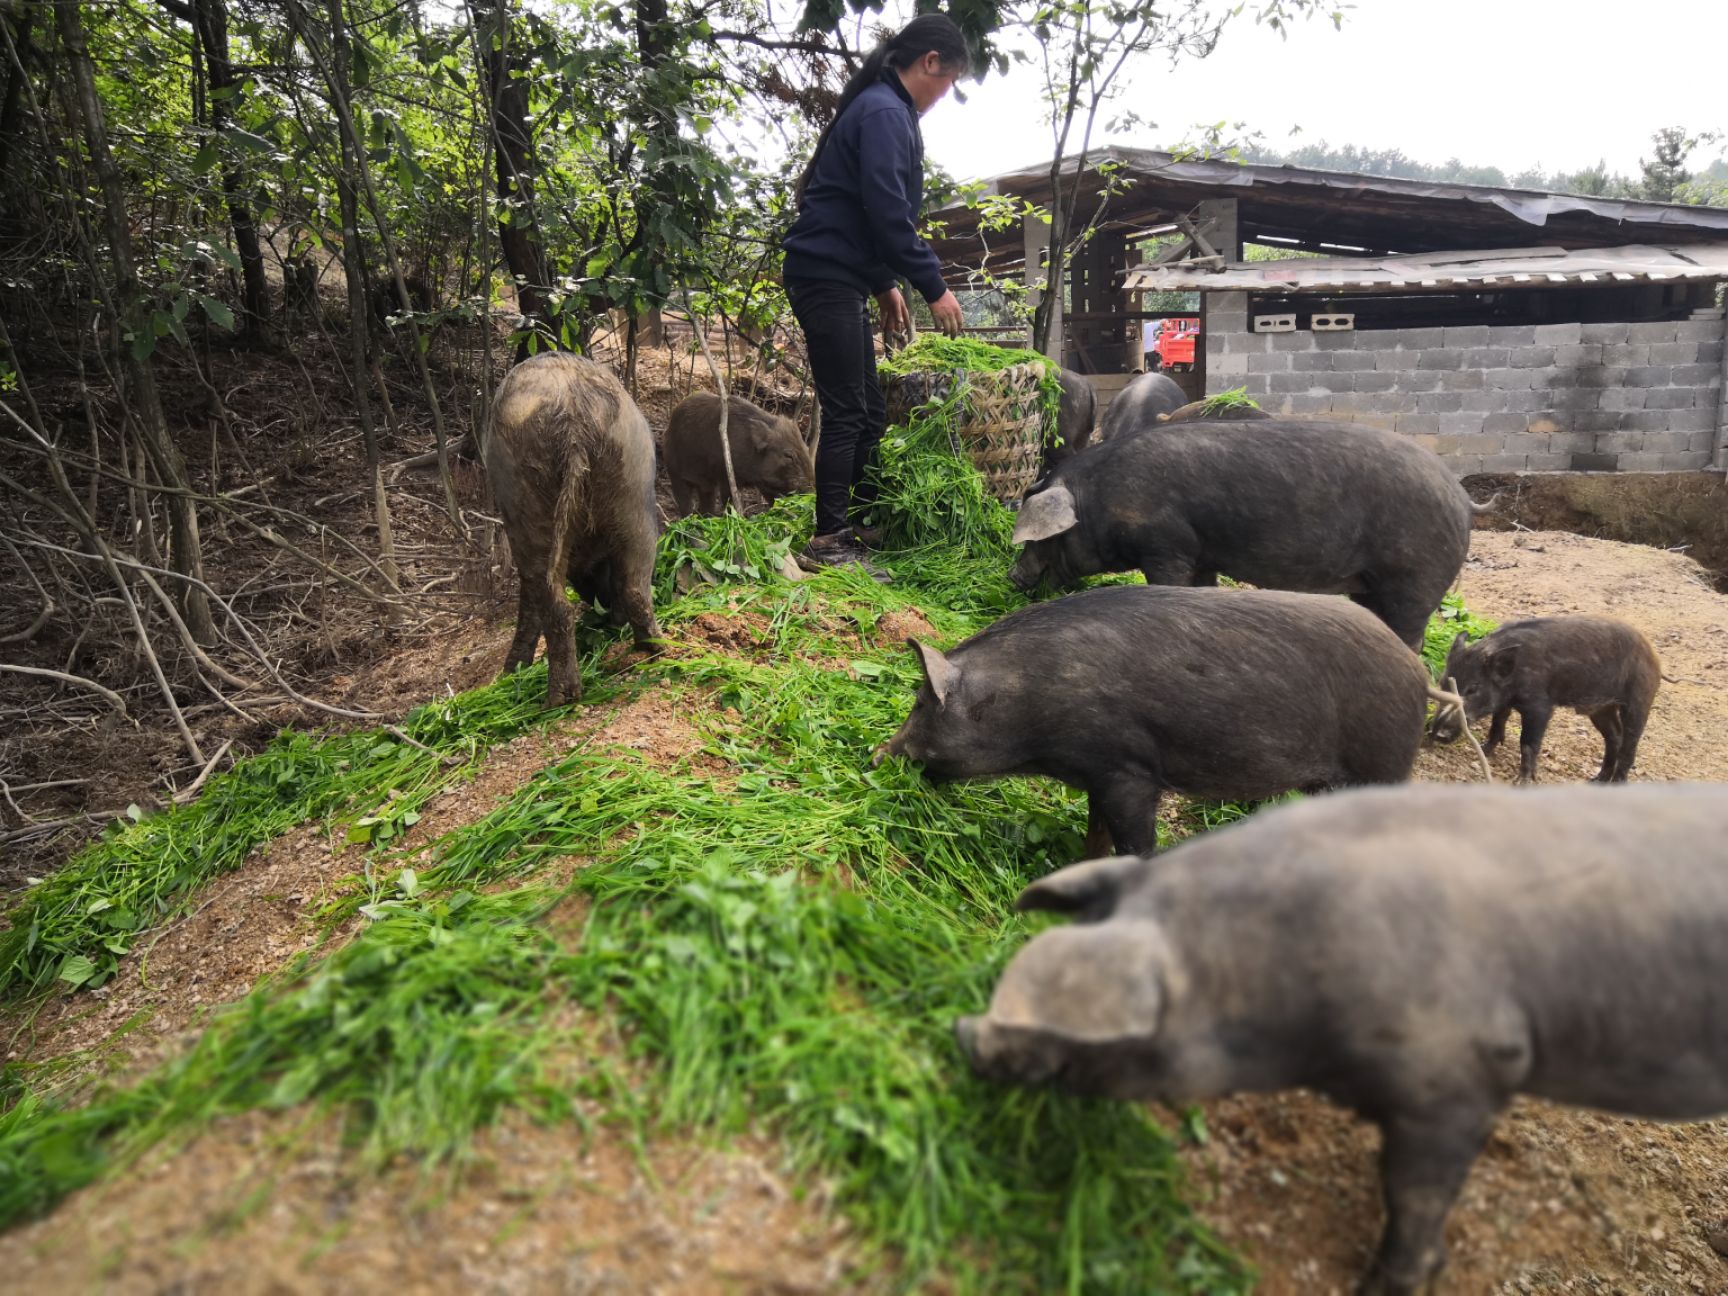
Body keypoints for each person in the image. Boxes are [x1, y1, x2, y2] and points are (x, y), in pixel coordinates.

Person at [782, 13, 970, 580]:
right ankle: (828, 539)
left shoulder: (885, 108)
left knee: (867, 408)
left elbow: (862, 213)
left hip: (841, 272)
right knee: (846, 410)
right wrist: (932, 286)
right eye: (948, 80)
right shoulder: (887, 111)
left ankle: (857, 524)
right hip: (824, 274)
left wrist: (886, 285)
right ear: (929, 62)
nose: (944, 94)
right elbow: (888, 216)